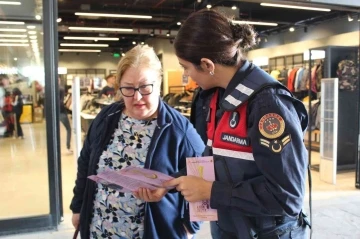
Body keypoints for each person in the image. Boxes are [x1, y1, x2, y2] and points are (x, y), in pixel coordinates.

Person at [164, 9, 310, 239]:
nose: (187, 75)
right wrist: (168, 183)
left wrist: (211, 191)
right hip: (230, 224)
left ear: (207, 64)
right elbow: (216, 158)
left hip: (267, 232)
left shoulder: (267, 104)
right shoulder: (211, 98)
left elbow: (287, 197)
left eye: (186, 67)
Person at [70, 44, 205, 239]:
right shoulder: (107, 117)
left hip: (152, 232)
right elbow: (85, 164)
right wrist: (78, 207)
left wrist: (190, 226)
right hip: (100, 229)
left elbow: (204, 173)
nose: (137, 97)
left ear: (159, 83)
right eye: (128, 88)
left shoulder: (179, 129)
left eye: (145, 87)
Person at [59, 78, 73, 154]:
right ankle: (68, 147)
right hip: (61, 111)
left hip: (54, 112)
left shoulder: (51, 89)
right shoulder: (61, 89)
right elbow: (63, 103)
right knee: (68, 129)